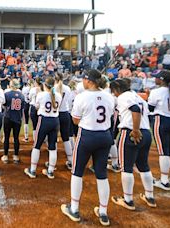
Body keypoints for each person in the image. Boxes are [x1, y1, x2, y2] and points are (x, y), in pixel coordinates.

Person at [61, 69, 114, 226]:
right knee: (101, 174)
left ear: (89, 81)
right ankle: (103, 212)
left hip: (87, 136)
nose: (82, 82)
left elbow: (76, 120)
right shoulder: (109, 96)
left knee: (77, 172)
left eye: (84, 79)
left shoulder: (82, 97)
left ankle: (75, 209)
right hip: (105, 136)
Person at [109, 79, 157, 211]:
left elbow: (135, 110)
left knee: (126, 167)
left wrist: (135, 130)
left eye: (113, 91)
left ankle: (128, 200)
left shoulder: (124, 97)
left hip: (131, 132)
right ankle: (150, 196)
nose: (114, 94)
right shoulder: (137, 96)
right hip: (146, 132)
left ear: (117, 89)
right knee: (143, 165)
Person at [148, 70, 170, 190]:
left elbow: (150, 108)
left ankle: (164, 181)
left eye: (157, 78)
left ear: (162, 80)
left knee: (163, 152)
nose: (155, 79)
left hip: (162, 121)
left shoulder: (156, 91)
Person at [24, 77, 61, 179]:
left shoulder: (41, 94)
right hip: (55, 121)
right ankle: (50, 171)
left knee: (37, 145)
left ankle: (32, 170)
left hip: (44, 120)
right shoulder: (58, 95)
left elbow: (36, 107)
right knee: (52, 146)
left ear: (45, 85)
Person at [1, 79, 25, 164]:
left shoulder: (6, 94)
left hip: (8, 117)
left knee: (7, 137)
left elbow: (3, 105)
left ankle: (6, 155)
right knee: (16, 138)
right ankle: (16, 156)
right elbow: (22, 107)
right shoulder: (21, 95)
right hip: (17, 118)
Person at [53, 73, 73, 170]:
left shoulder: (54, 87)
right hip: (65, 113)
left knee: (53, 138)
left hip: (56, 114)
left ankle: (53, 163)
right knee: (66, 138)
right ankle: (71, 161)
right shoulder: (68, 88)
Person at [29, 77, 44, 142]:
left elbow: (29, 98)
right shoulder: (43, 89)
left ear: (36, 82)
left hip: (33, 107)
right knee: (41, 124)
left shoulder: (33, 89)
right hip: (41, 108)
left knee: (35, 125)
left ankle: (36, 140)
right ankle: (43, 139)